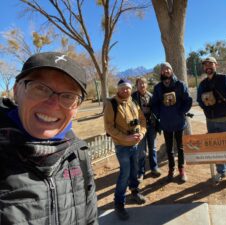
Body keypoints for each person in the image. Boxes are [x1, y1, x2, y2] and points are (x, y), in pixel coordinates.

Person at [0, 52, 98, 224]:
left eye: (68, 96)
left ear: (76, 107)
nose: (53, 104)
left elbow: (90, 218)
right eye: (40, 88)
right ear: (16, 91)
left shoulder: (78, 154)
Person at [196, 56, 226, 187]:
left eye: (210, 63)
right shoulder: (202, 84)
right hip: (210, 120)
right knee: (215, 148)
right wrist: (205, 107)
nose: (208, 66)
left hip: (225, 119)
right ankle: (221, 172)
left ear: (216, 65)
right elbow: (199, 100)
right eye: (205, 65)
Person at [104, 79, 147, 220]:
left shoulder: (133, 102)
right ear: (118, 89)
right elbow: (109, 127)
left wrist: (141, 133)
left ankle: (134, 192)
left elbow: (142, 120)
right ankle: (119, 204)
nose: (125, 90)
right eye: (122, 88)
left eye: (128, 88)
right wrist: (124, 138)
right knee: (125, 173)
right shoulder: (112, 104)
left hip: (135, 144)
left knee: (135, 170)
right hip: (122, 146)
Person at [152, 62, 193, 182]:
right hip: (166, 123)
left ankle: (181, 170)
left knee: (180, 147)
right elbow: (154, 104)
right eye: (163, 70)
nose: (166, 71)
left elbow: (188, 100)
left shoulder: (180, 85)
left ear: (172, 70)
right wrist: (160, 115)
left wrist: (181, 111)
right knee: (169, 148)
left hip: (179, 121)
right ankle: (171, 169)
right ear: (161, 72)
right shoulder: (158, 88)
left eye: (168, 69)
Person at [132, 77, 161, 182]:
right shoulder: (133, 97)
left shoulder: (151, 96)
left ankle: (154, 168)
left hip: (151, 126)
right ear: (137, 85)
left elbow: (156, 110)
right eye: (140, 83)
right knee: (141, 151)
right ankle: (141, 172)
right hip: (140, 128)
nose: (142, 85)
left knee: (153, 148)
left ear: (146, 85)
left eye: (144, 83)